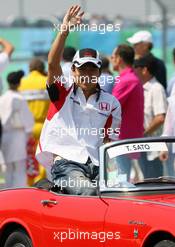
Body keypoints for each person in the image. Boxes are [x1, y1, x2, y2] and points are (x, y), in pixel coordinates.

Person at [36, 5, 121, 195]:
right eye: (82, 69)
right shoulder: (63, 90)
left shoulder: (112, 103)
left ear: (100, 72)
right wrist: (64, 31)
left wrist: (115, 176)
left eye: (92, 69)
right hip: (66, 164)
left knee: (120, 194)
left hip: (98, 165)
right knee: (89, 192)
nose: (87, 74)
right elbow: (51, 64)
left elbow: (110, 142)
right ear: (73, 71)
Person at [111, 44, 144, 177]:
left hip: (123, 141)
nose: (111, 59)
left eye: (113, 56)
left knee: (121, 181)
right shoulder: (129, 78)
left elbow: (110, 107)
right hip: (125, 140)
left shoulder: (127, 80)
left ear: (119, 59)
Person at [134, 54, 167, 178]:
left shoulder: (156, 89)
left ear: (144, 69)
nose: (133, 70)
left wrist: (142, 134)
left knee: (154, 183)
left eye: (135, 67)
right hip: (143, 146)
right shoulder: (141, 88)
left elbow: (160, 117)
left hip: (154, 148)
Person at [18, 58, 49, 186]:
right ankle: (39, 184)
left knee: (29, 157)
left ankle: (29, 184)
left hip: (25, 128)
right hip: (43, 126)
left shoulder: (22, 83)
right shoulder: (46, 81)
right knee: (42, 157)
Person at [0, 71, 34, 188]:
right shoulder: (19, 98)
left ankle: (7, 192)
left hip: (4, 135)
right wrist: (29, 132)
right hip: (17, 135)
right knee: (19, 167)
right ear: (19, 83)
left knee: (8, 167)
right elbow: (28, 119)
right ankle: (19, 192)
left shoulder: (2, 98)